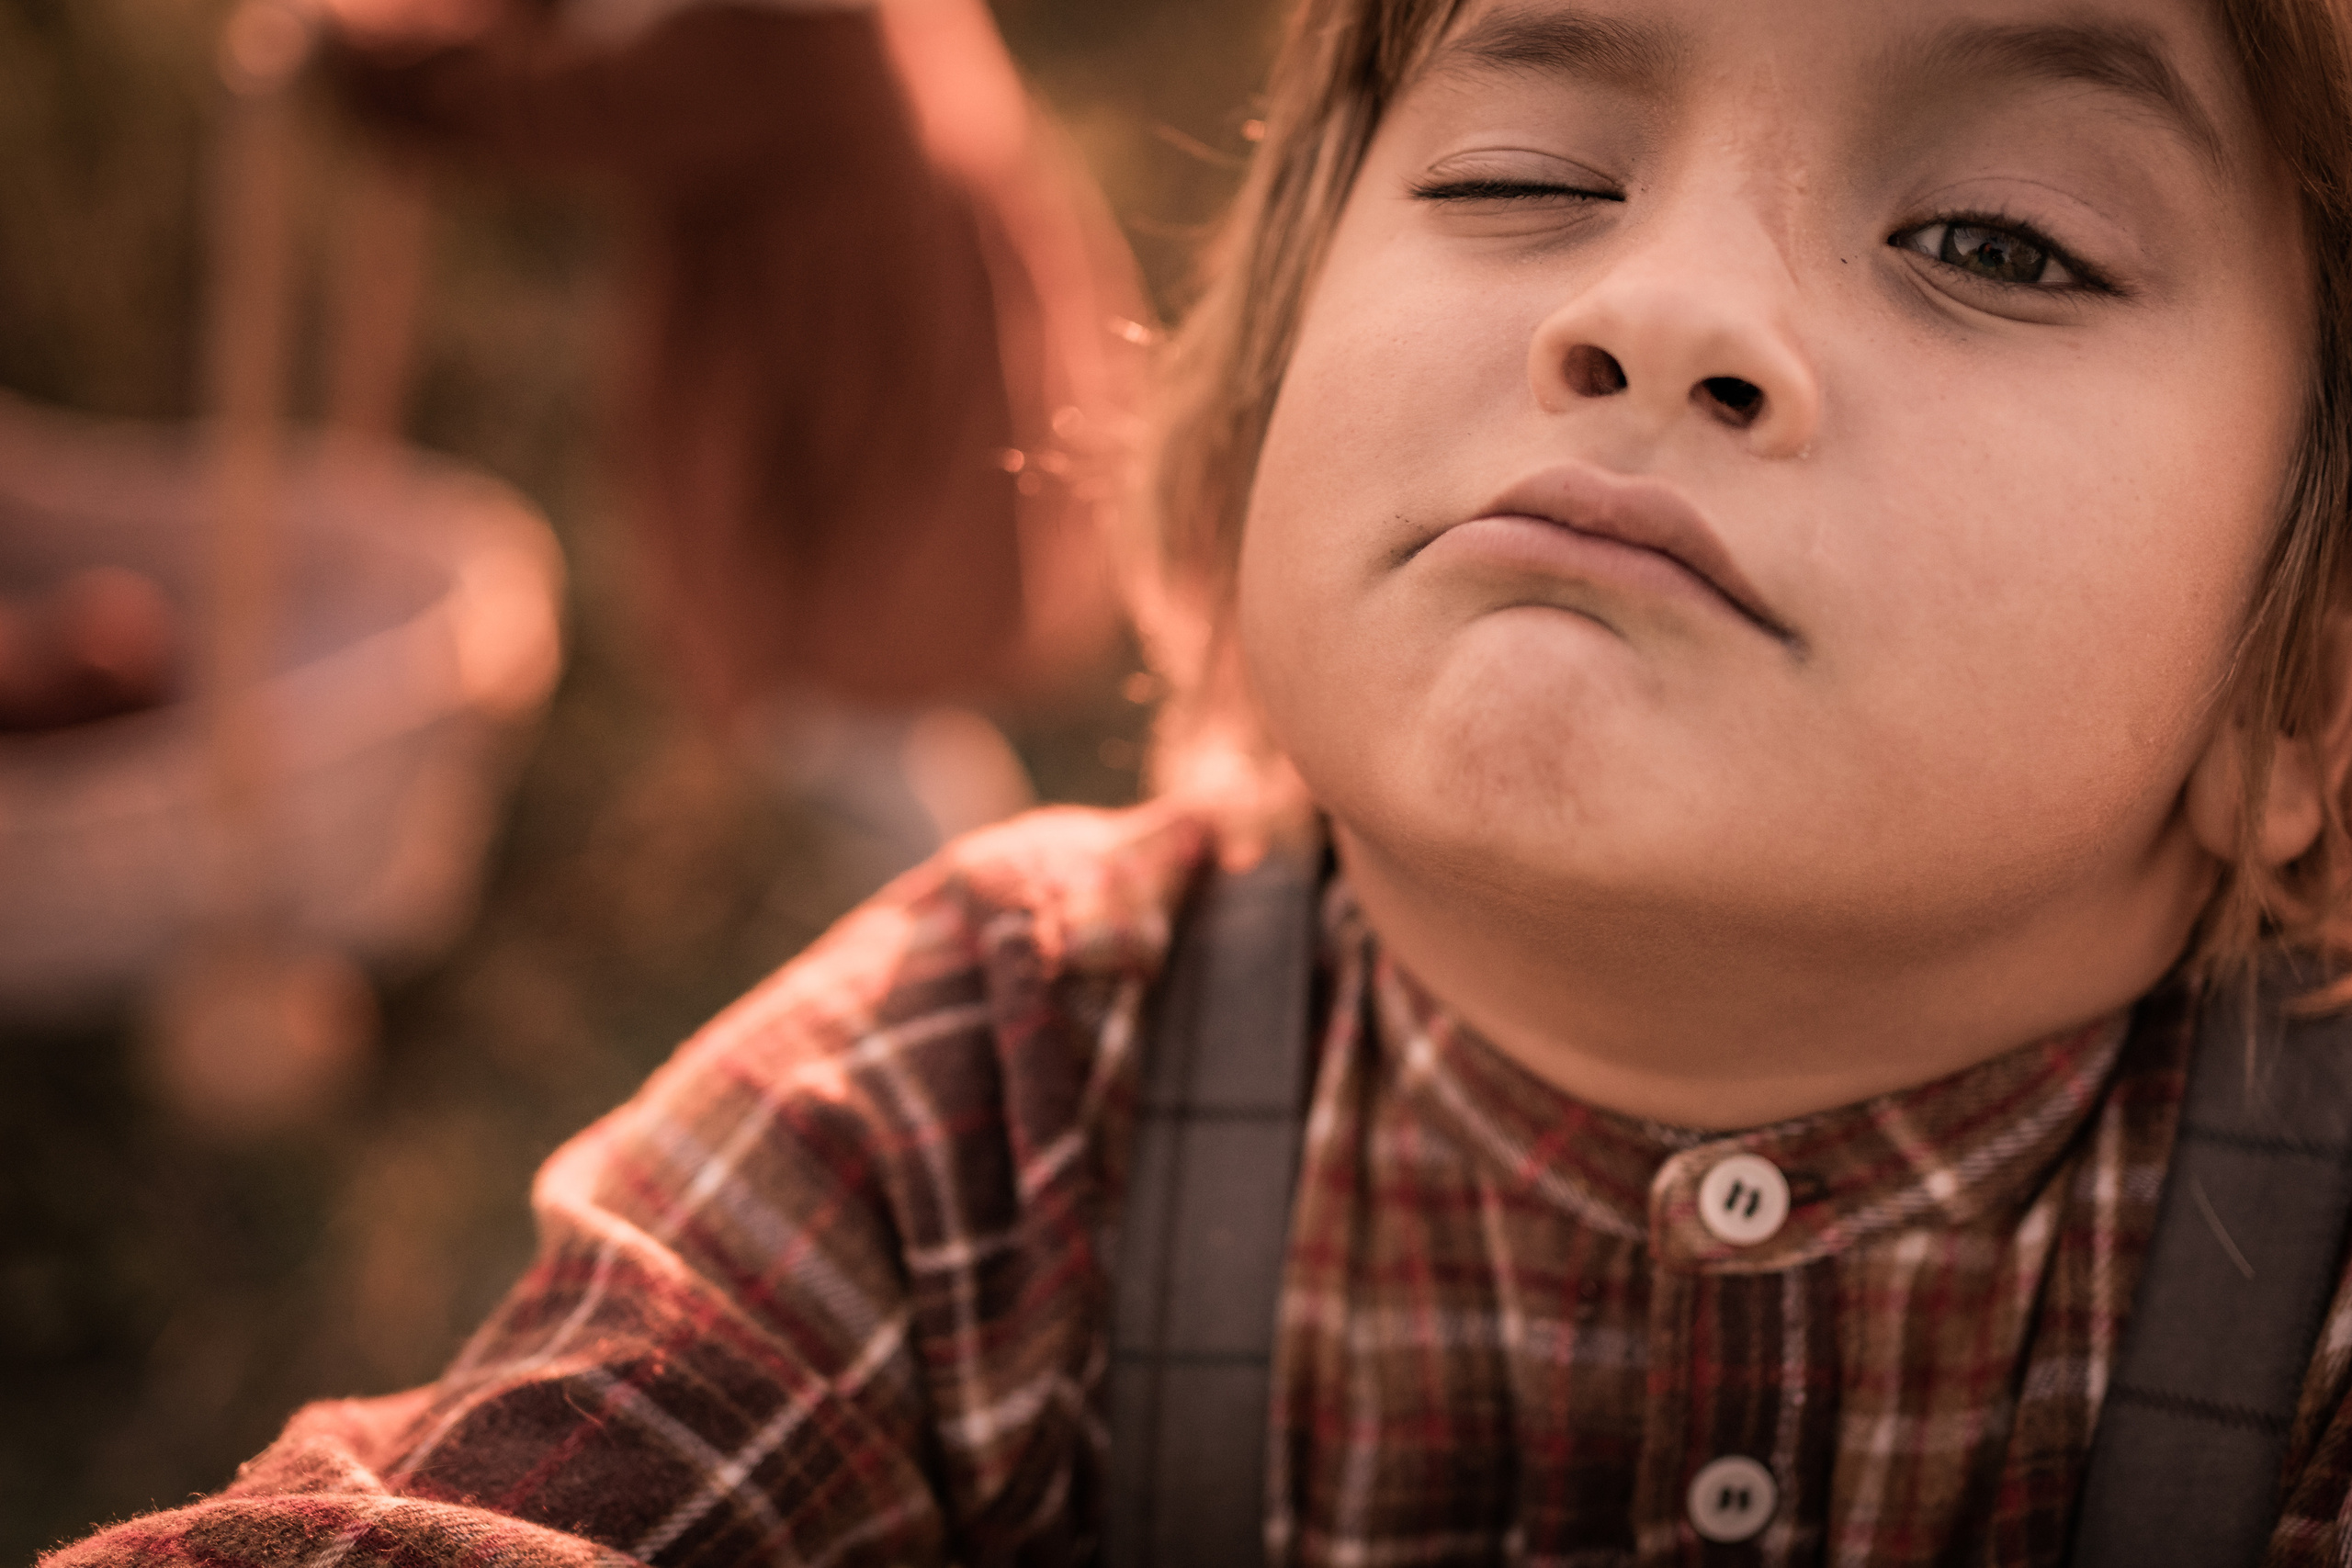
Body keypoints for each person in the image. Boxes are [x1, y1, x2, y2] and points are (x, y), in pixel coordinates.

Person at [45, 0, 2352, 1561]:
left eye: (1990, 239)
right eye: (1528, 172)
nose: (1660, 308)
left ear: (2307, 673)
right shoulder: (976, 1093)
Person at [318, 0, 1148, 874]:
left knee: (831, 694)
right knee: (869, 696)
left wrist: (359, 51)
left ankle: (980, 916)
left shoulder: (774, 41)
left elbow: (544, 107)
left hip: (844, 383)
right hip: (873, 338)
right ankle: (978, 901)